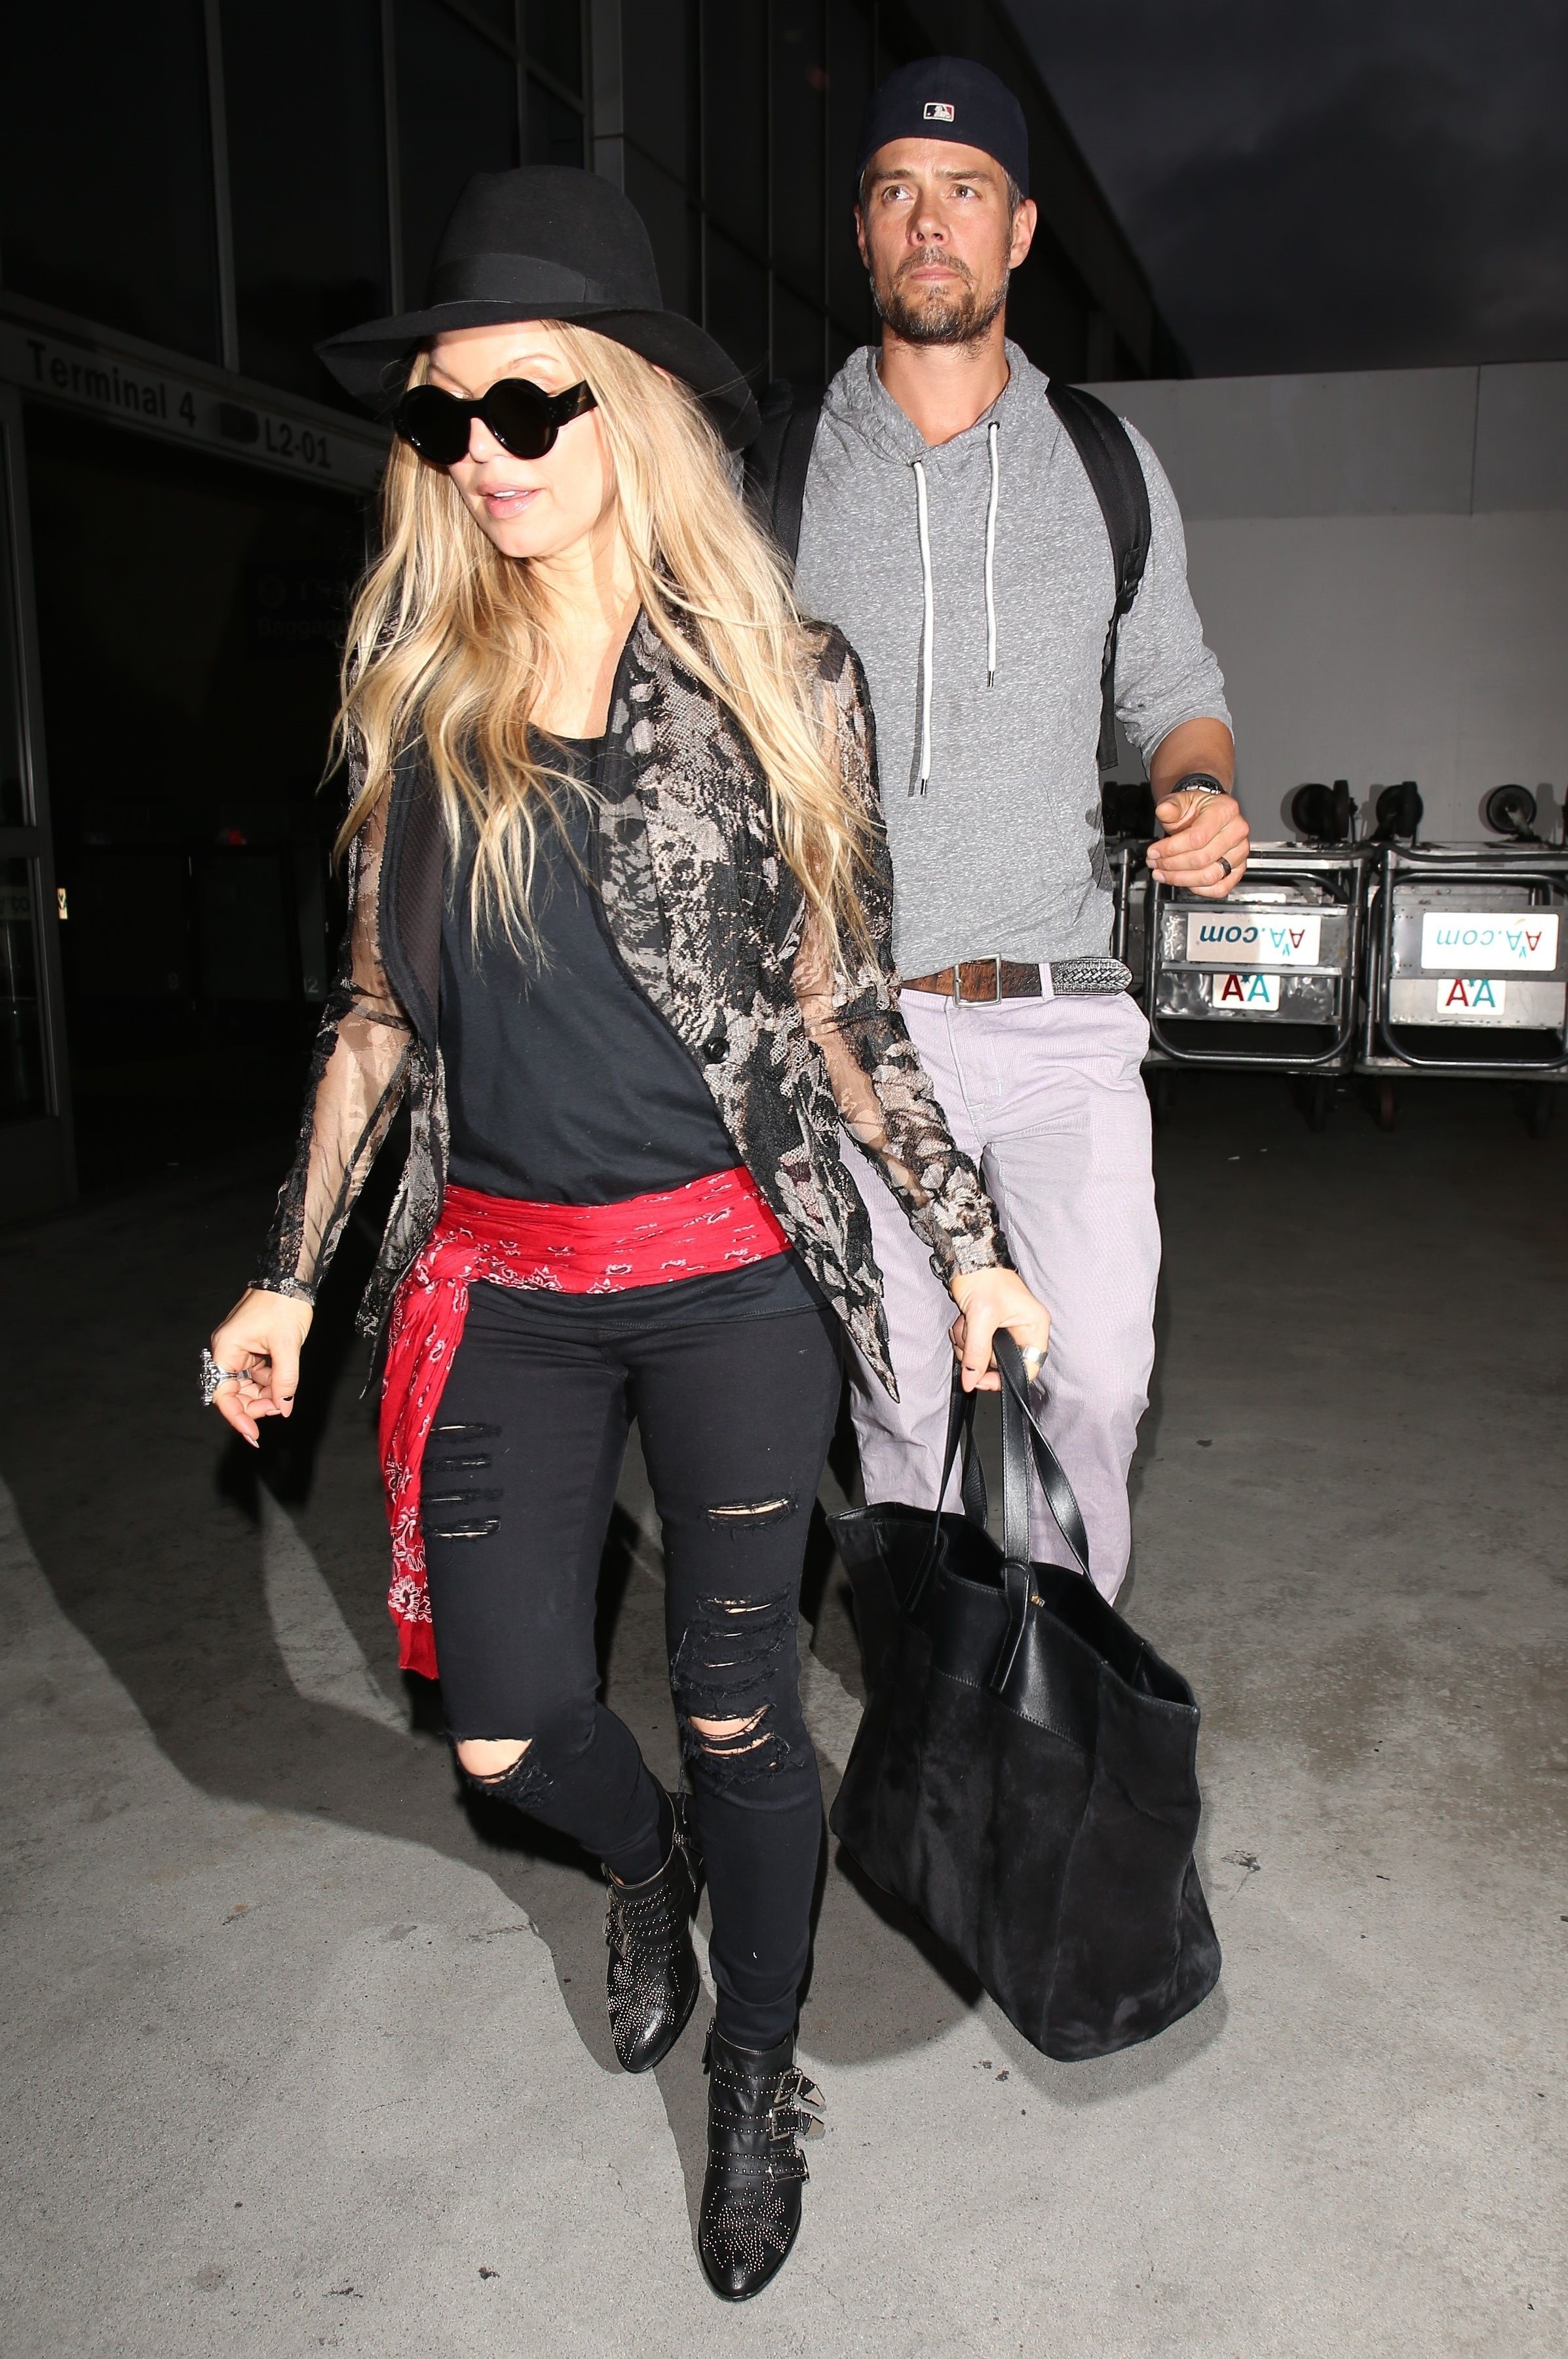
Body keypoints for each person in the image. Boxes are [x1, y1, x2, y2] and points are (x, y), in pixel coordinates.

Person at [199, 167, 1048, 2305]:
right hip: (503, 1290)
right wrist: (290, 1272)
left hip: (730, 1281)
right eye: (442, 420)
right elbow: (377, 1022)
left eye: (528, 408)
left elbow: (848, 1014)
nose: (479, 458)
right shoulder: (419, 709)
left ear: (632, 416)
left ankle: (758, 2071)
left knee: (745, 1699)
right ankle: (643, 1862)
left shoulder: (780, 683)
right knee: (503, 1731)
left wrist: (963, 1243)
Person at [789, 57, 1250, 1601]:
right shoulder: (773, 478)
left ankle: (1058, 1707)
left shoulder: (1106, 467)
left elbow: (1176, 686)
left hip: (1059, 1021)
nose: (934, 224)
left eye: (966, 191)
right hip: (861, 1037)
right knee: (903, 1416)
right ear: (862, 230)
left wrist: (1196, 783)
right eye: (900, 194)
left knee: (1096, 1385)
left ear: (1022, 229)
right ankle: (939, 1731)